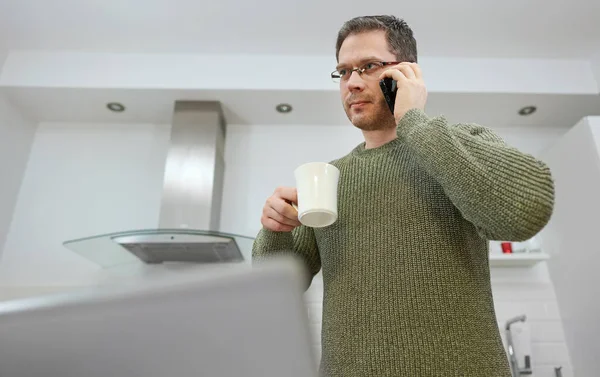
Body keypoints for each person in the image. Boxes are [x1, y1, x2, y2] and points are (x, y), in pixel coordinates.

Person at [252, 15, 555, 377]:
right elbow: (274, 287)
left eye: (368, 67)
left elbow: (527, 209)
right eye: (343, 72)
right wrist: (276, 229)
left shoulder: (459, 144)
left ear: (407, 73)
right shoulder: (329, 177)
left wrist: (414, 118)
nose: (352, 83)